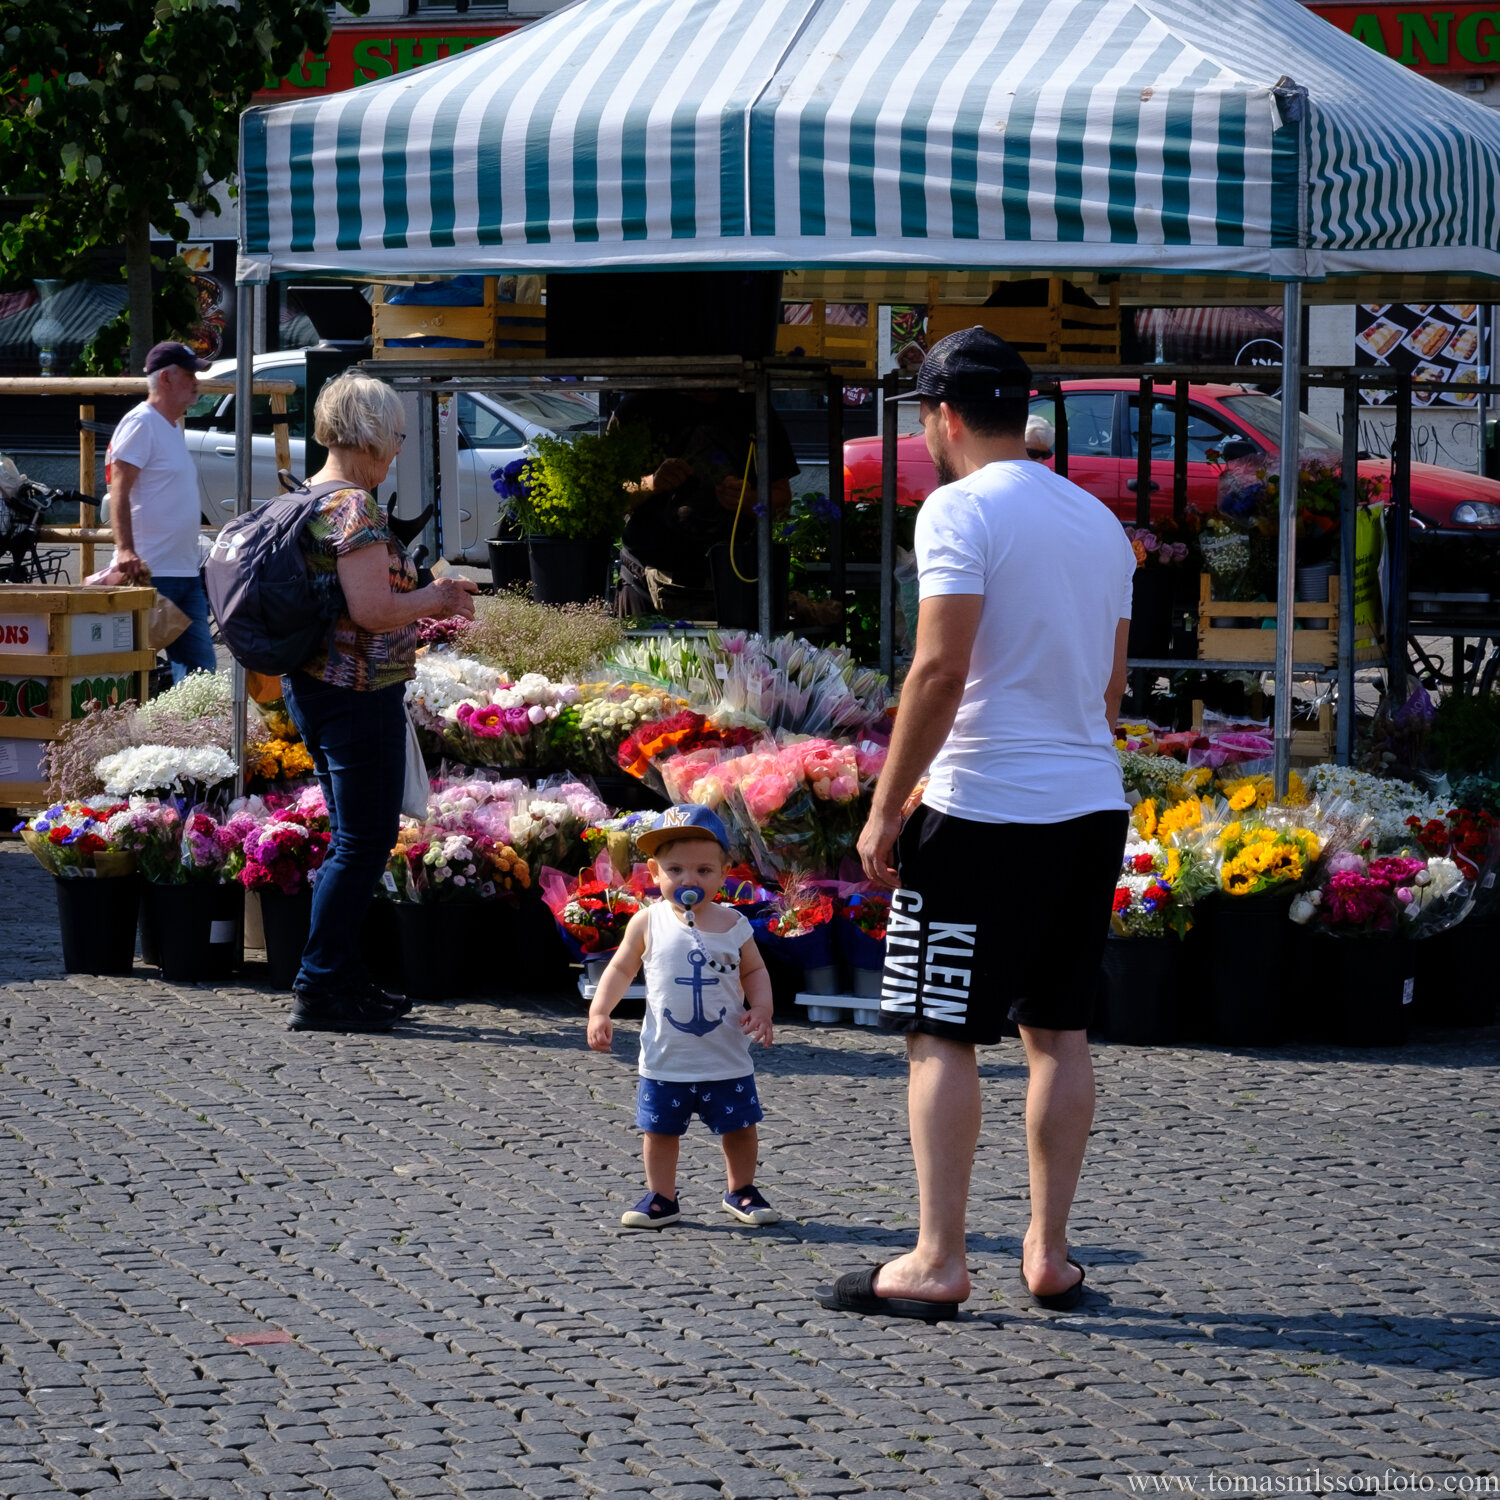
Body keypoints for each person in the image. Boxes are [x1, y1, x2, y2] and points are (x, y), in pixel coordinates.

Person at [819, 327, 1135, 1323]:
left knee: (939, 1033)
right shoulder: (1098, 523)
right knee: (1059, 1033)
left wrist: (883, 807)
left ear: (941, 418)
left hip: (979, 806)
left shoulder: (956, 511)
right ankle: (1049, 1253)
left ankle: (938, 1257)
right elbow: (1112, 691)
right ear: (1026, 413)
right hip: (1089, 803)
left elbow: (939, 671)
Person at [281, 372, 478, 1034]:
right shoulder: (354, 508)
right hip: (354, 691)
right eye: (395, 436)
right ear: (368, 434)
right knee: (363, 844)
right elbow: (371, 609)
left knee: (349, 839)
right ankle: (321, 983)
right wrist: (440, 598)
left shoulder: (307, 495)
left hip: (314, 686)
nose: (396, 450)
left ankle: (342, 974)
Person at [587, 806, 779, 1229]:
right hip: (666, 1058)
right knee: (660, 1132)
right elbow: (621, 968)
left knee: (741, 1128)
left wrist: (761, 1008)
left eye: (704, 870)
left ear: (725, 872)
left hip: (725, 1057)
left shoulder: (734, 924)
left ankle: (741, 1189)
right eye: (676, 869)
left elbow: (754, 971)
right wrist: (600, 1010)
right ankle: (662, 1196)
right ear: (654, 872)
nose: (689, 880)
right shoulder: (647, 921)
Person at [610, 390, 798, 617]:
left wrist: (748, 501)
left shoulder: (751, 407)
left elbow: (783, 502)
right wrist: (650, 484)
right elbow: (608, 497)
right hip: (644, 581)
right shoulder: (639, 404)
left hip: (733, 582)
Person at [106, 341, 218, 679]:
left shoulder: (169, 426)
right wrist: (125, 549)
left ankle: (187, 733)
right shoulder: (141, 422)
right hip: (150, 572)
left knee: (201, 672)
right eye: (189, 374)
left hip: (183, 571)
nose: (196, 382)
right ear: (166, 379)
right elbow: (118, 489)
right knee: (127, 671)